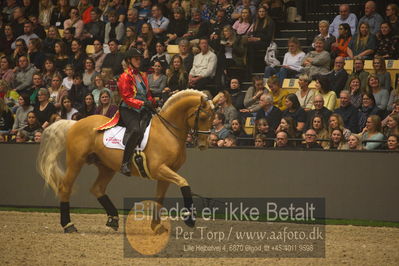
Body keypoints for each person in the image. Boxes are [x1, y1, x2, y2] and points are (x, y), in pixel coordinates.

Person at [117, 48, 156, 176]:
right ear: (129, 60)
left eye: (139, 59)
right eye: (136, 59)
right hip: (128, 109)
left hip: (143, 108)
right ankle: (125, 163)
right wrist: (143, 103)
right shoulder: (124, 76)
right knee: (135, 130)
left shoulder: (142, 75)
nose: (139, 61)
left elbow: (147, 94)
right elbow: (127, 98)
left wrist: (152, 102)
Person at [246, 7, 275, 75]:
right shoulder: (256, 21)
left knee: (250, 45)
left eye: (263, 11)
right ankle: (247, 66)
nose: (261, 13)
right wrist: (252, 38)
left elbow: (269, 37)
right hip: (256, 41)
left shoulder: (270, 22)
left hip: (266, 42)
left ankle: (250, 68)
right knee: (246, 43)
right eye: (260, 11)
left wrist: (258, 38)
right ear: (258, 13)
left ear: (266, 12)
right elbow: (254, 33)